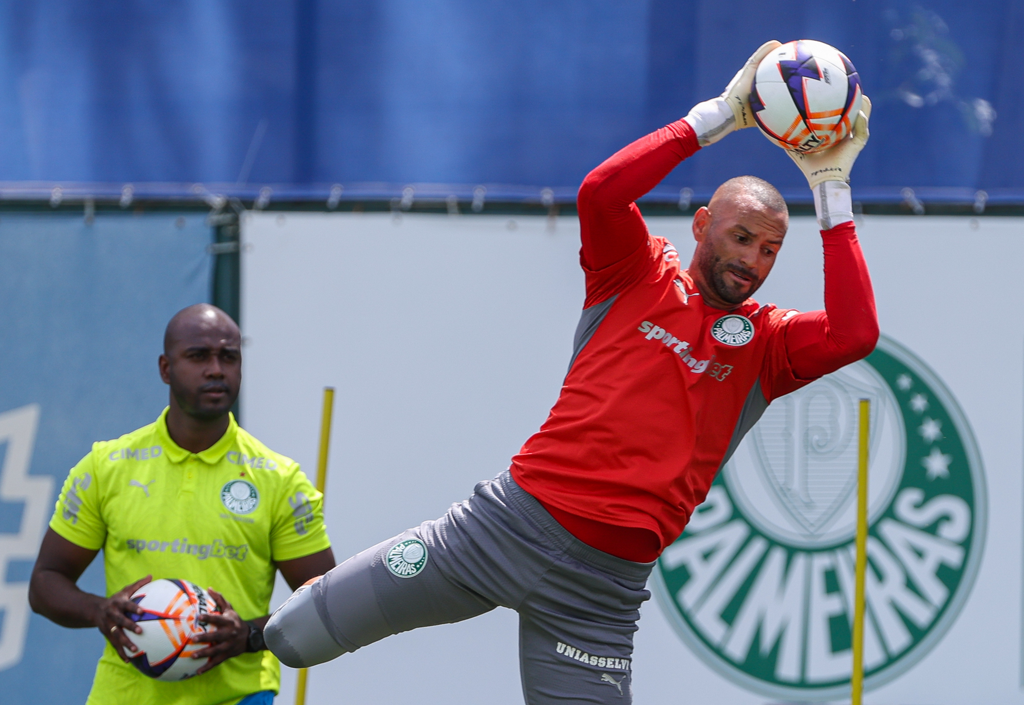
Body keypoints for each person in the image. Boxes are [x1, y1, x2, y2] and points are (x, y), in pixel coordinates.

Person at [263, 40, 878, 704]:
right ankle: (202, 644)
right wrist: (717, 117)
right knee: (294, 633)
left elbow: (855, 333)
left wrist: (830, 190)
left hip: (600, 593)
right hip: (499, 531)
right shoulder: (637, 269)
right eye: (740, 237)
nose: (753, 260)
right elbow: (601, 192)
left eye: (769, 249)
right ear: (703, 225)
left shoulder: (768, 342)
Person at [29, 304, 336, 705]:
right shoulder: (106, 467)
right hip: (123, 695)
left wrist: (248, 635)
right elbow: (45, 582)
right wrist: (100, 611)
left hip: (239, 696)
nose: (216, 369)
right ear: (165, 368)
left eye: (229, 357)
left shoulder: (280, 479)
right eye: (198, 356)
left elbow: (328, 600)